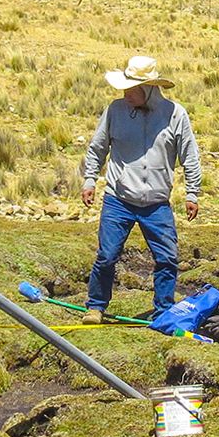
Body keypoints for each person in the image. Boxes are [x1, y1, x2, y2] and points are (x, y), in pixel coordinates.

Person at [81, 55, 202, 321]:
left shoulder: (175, 115)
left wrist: (192, 193)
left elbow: (190, 156)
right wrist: (90, 179)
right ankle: (96, 306)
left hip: (156, 203)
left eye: (131, 89)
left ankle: (163, 311)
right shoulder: (115, 111)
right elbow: (98, 147)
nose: (125, 94)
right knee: (107, 256)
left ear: (148, 88)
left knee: (167, 258)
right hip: (118, 198)